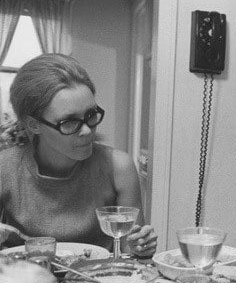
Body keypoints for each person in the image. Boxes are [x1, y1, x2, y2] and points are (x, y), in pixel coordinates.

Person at [0, 53, 157, 257]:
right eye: (69, 122)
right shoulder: (5, 167)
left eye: (91, 115)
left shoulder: (118, 166)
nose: (86, 131)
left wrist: (141, 247)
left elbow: (130, 251)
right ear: (34, 124)